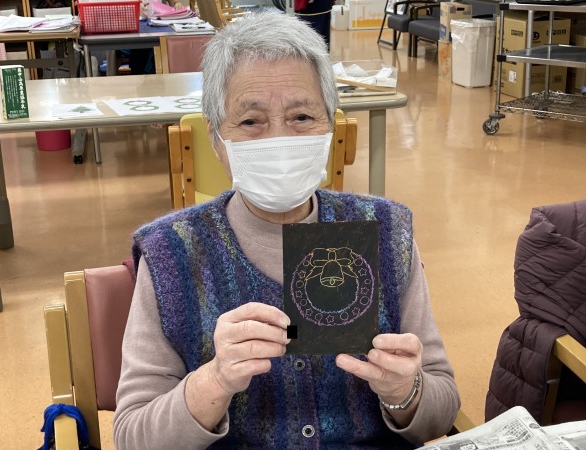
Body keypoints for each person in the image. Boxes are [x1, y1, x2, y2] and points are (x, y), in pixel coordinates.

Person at [113, 12, 460, 449]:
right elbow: (133, 437)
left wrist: (404, 392)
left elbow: (442, 409)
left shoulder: (384, 234)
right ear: (217, 139)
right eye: (250, 121)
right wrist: (215, 380)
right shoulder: (172, 252)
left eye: (301, 116)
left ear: (330, 126)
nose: (278, 139)